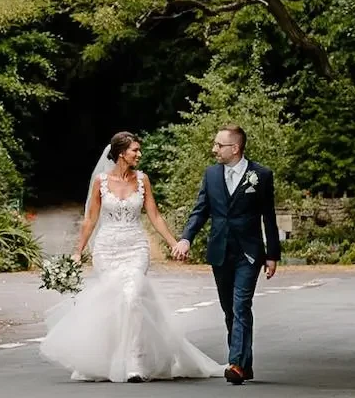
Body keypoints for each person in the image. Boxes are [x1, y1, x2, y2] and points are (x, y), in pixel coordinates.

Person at [39, 131, 225, 383]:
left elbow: (154, 215)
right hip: (107, 249)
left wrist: (175, 243)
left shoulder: (142, 180)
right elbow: (90, 219)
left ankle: (135, 361)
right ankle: (109, 358)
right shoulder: (101, 182)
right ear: (120, 153)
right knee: (116, 303)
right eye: (135, 150)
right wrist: (77, 251)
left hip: (136, 247)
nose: (139, 154)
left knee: (133, 296)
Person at [172, 125, 281, 385]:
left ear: (235, 148)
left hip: (249, 252)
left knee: (241, 304)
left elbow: (269, 216)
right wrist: (186, 238)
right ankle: (245, 363)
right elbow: (200, 210)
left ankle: (235, 364)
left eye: (219, 145)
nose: (214, 149)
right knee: (229, 308)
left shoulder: (261, 175)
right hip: (220, 250)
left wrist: (272, 254)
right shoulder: (211, 175)